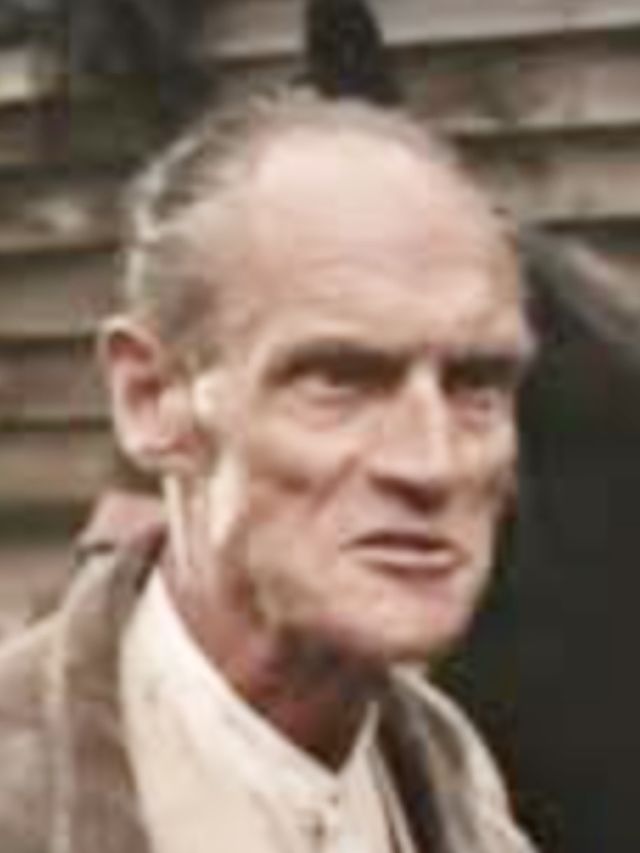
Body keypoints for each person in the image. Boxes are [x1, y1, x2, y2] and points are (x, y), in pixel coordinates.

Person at [0, 91, 537, 853]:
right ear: (152, 399)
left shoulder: (463, 792)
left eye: (475, 386)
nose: (432, 462)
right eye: (339, 379)